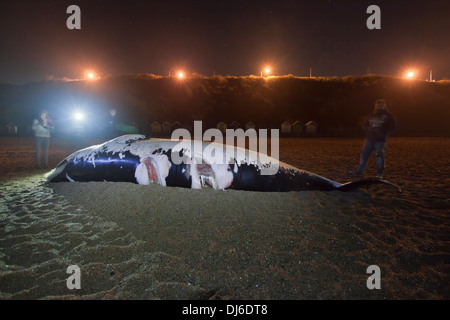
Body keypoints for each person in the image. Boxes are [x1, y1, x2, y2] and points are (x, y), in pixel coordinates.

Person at [353, 99, 397, 179]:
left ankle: (380, 173)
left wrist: (381, 131)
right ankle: (360, 171)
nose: (378, 107)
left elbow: (392, 128)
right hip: (369, 138)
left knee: (379, 156)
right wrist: (368, 129)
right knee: (364, 155)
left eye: (381, 105)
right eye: (377, 105)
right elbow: (365, 125)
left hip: (380, 140)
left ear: (384, 106)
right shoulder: (371, 115)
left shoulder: (389, 116)